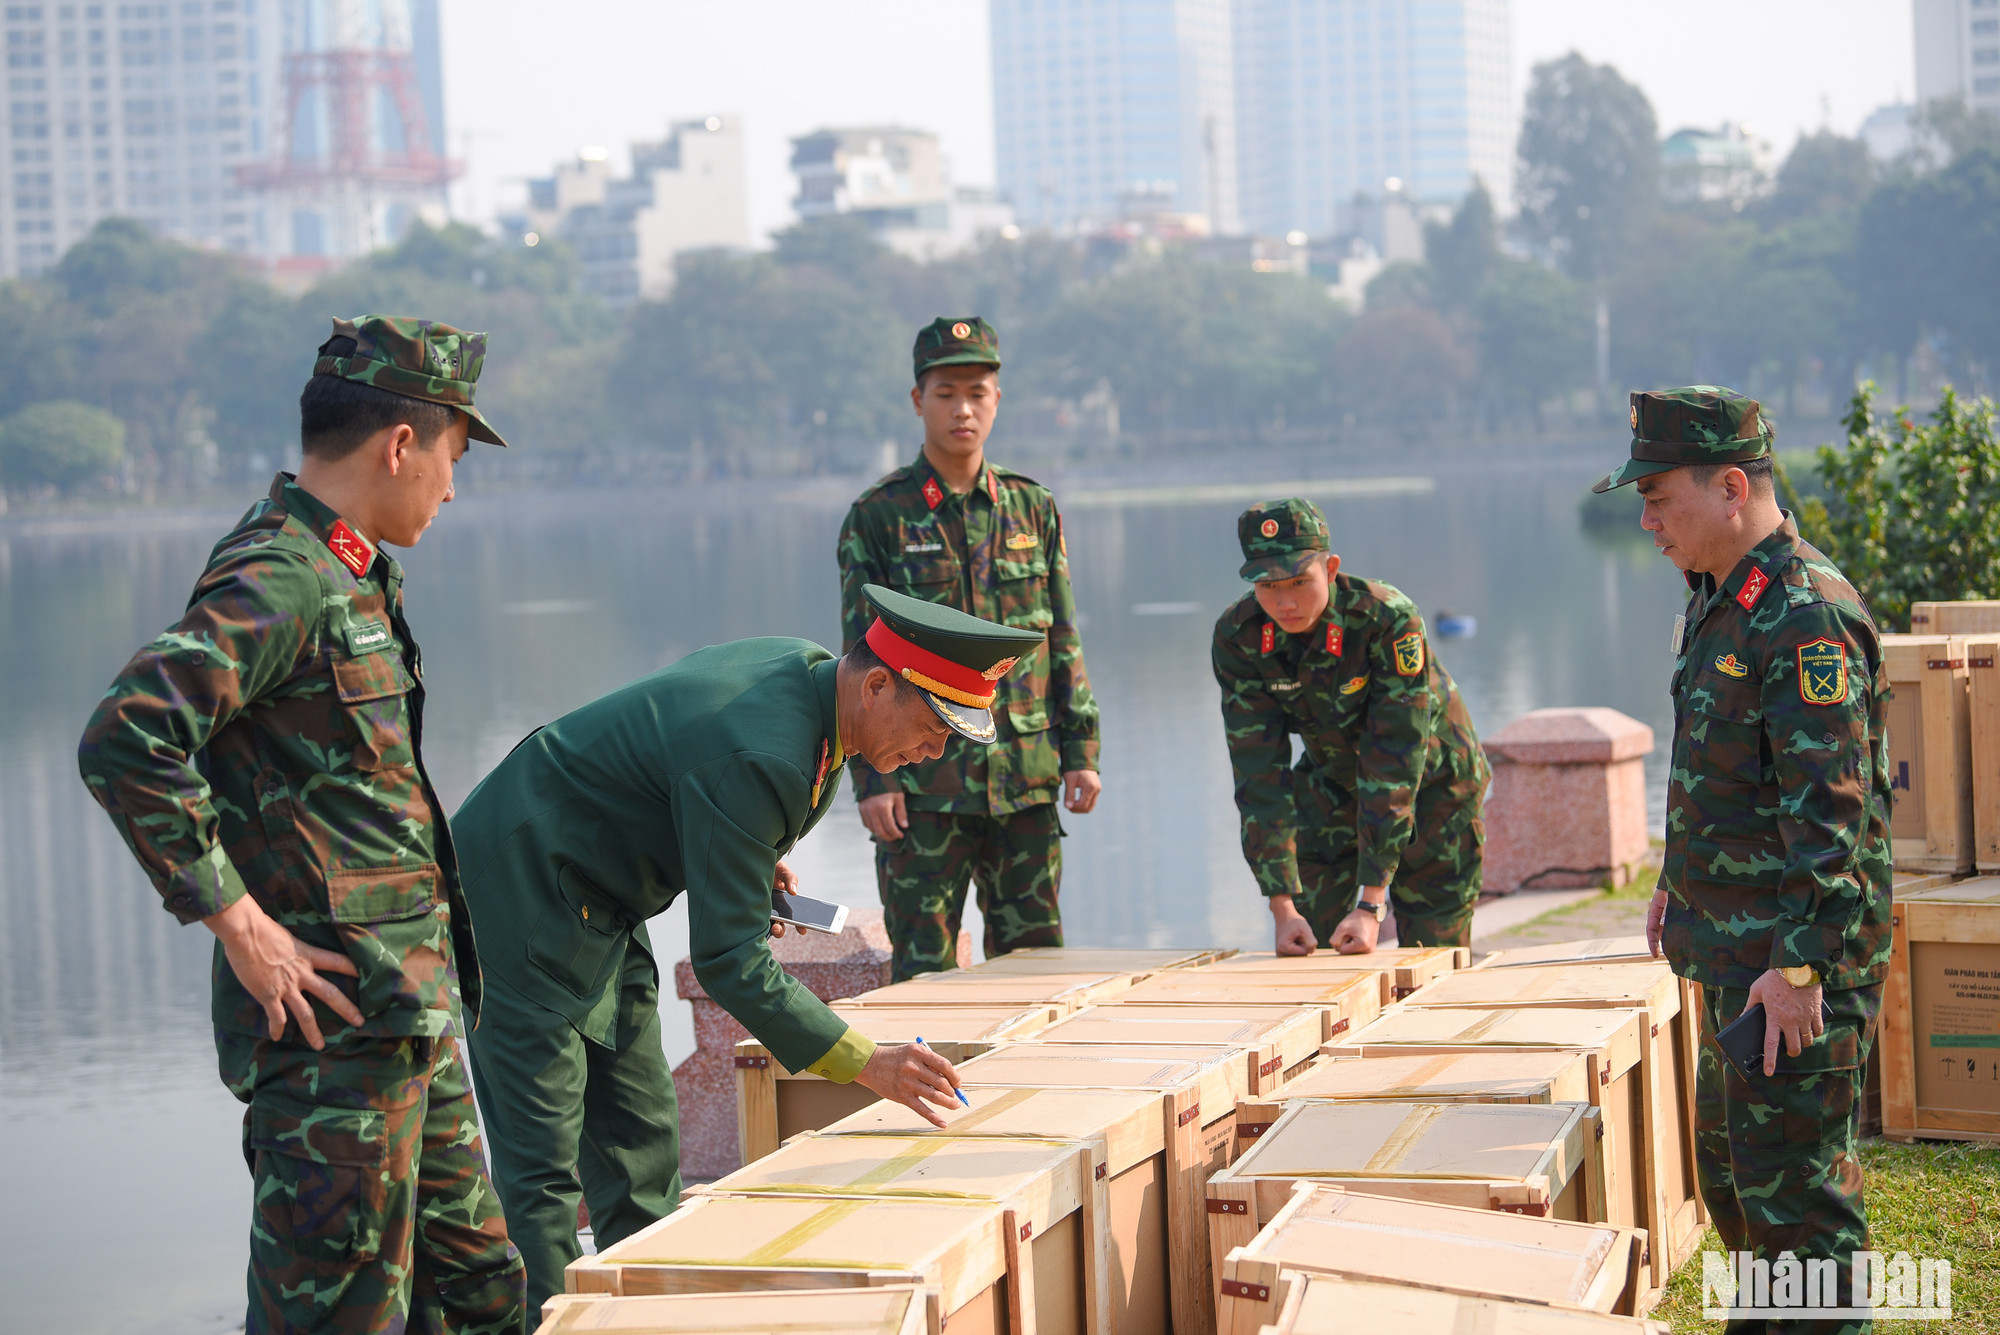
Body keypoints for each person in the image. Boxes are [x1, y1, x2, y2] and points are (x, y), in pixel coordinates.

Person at [76, 317, 526, 1333]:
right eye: (453, 458)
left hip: (408, 1015)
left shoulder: (351, 570)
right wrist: (237, 923)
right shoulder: (282, 576)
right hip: (333, 1047)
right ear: (399, 446)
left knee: (478, 1297)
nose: (453, 489)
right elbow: (126, 736)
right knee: (337, 1318)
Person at [451, 583, 1043, 1316]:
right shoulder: (767, 747)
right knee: (544, 1174)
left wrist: (744, 857)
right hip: (518, 887)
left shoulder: (814, 683)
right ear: (880, 682)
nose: (933, 751)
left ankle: (645, 1321)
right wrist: (866, 1062)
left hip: (602, 896)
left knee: (642, 1142)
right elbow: (730, 960)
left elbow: (692, 776)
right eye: (932, 726)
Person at [1601, 387, 1891, 1333]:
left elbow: (1833, 817)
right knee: (1731, 1177)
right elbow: (1727, 772)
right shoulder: (1723, 595)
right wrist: (1673, 879)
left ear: (1731, 485)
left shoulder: (1804, 614)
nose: (1646, 523)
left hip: (1793, 965)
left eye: (1657, 498)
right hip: (1737, 952)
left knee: (1801, 1213)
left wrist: (1801, 966)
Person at [836, 317, 1102, 981]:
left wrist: (1082, 752)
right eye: (946, 391)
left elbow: (1061, 634)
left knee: (1038, 974)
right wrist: (874, 777)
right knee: (923, 978)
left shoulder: (1031, 507)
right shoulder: (881, 516)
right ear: (917, 400)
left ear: (997, 400)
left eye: (977, 392)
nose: (963, 408)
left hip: (1027, 779)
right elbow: (858, 662)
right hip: (924, 788)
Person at [1213, 498, 1488, 955]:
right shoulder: (1239, 636)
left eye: (1301, 582)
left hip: (1434, 788)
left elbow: (1395, 760)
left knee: (1432, 958)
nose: (1284, 601)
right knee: (1312, 947)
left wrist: (1371, 905)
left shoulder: (1386, 619)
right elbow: (1259, 774)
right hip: (1334, 784)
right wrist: (1282, 906)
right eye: (1267, 585)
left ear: (1332, 568)